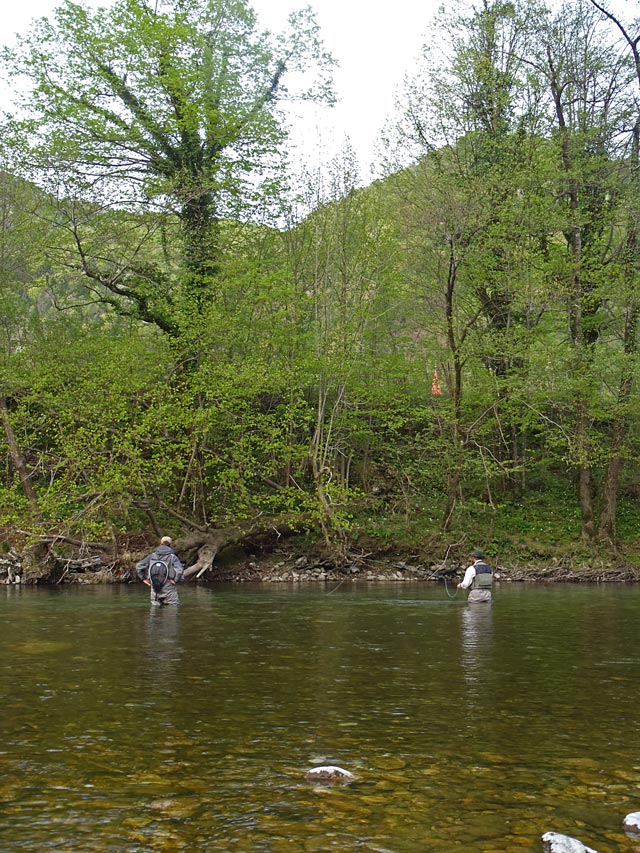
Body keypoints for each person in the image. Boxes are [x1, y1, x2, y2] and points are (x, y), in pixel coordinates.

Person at [136, 536, 184, 606]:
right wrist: (175, 580)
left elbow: (138, 566)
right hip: (169, 587)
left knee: (155, 612)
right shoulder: (172, 557)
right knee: (172, 610)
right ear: (170, 545)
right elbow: (179, 571)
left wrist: (143, 579)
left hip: (154, 587)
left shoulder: (152, 556)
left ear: (160, 544)